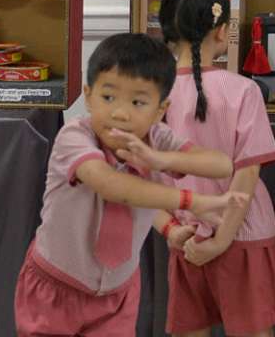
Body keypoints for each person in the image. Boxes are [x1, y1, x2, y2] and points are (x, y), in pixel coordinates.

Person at [13, 33, 241, 337]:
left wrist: (160, 161)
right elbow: (112, 186)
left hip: (117, 294)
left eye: (138, 101)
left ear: (160, 110)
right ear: (88, 95)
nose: (120, 113)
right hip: (57, 286)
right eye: (108, 97)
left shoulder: (157, 138)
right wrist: (190, 201)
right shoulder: (75, 137)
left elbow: (221, 164)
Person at [153, 0, 275, 337]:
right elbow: (246, 174)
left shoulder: (150, 97)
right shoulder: (244, 90)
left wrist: (171, 230)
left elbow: (140, 186)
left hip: (186, 238)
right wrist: (223, 238)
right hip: (243, 236)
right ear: (222, 31)